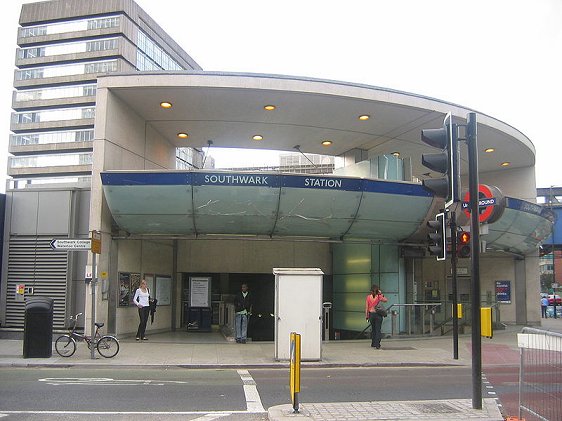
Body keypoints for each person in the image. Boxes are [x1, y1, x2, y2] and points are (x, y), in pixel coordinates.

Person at [365, 284, 388, 349]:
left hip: (371, 315)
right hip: (378, 315)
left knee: (373, 329)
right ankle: (377, 344)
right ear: (377, 290)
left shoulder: (368, 297)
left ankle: (373, 343)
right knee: (378, 329)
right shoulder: (379, 296)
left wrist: (366, 316)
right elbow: (386, 300)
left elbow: (366, 307)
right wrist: (381, 294)